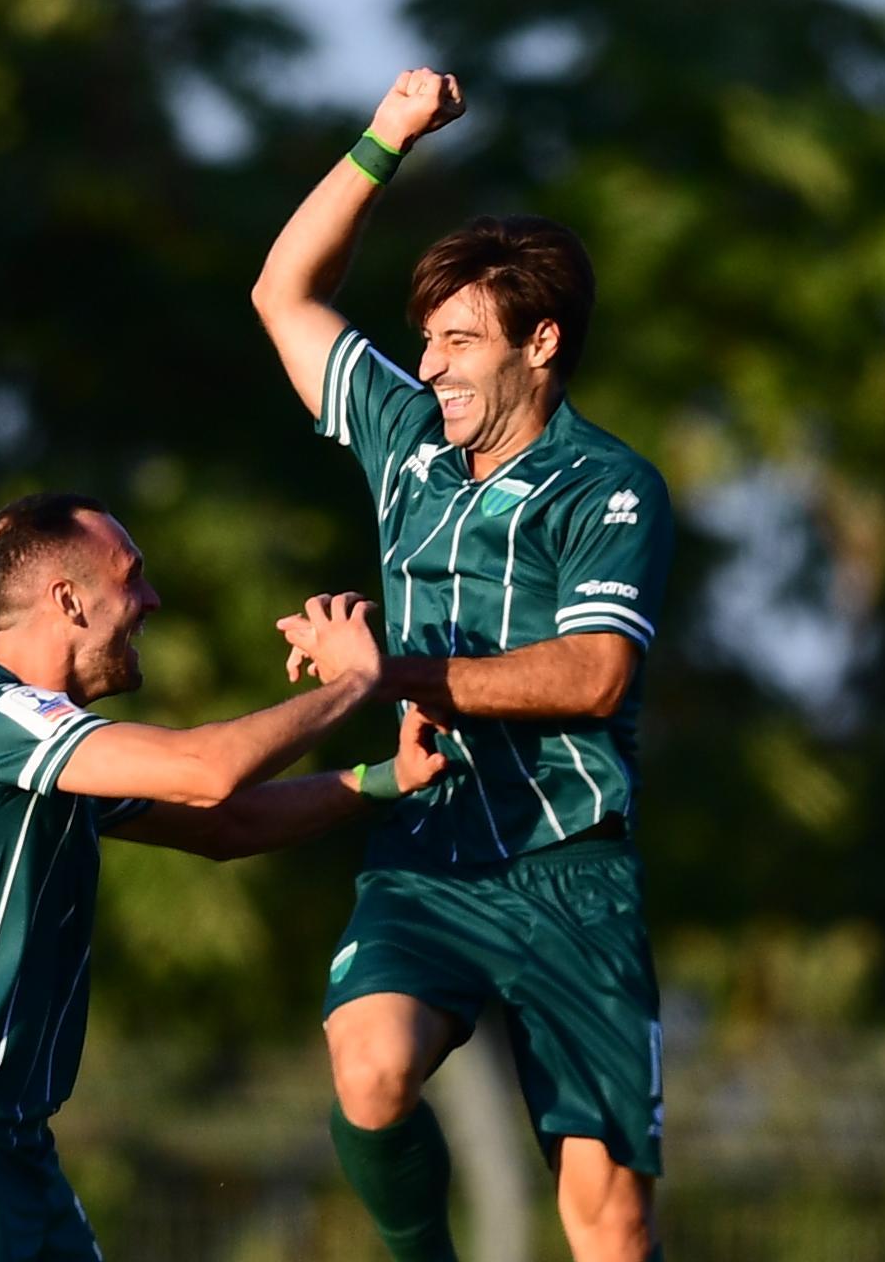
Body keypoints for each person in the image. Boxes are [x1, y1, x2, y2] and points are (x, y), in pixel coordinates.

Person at [252, 68, 675, 1262]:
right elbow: (284, 291)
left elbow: (594, 676)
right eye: (425, 339)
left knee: (609, 1224)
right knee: (370, 1065)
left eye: (459, 340)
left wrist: (382, 674)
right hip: (430, 854)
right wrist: (386, 137)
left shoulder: (610, 486)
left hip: (570, 870)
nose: (430, 364)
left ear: (540, 342)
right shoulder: (407, 442)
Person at [0, 491, 448, 1262]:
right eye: (131, 576)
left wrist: (385, 778)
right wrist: (355, 681)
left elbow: (227, 825)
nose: (151, 599)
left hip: (10, 1144)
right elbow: (208, 771)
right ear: (68, 601)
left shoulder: (35, 747)